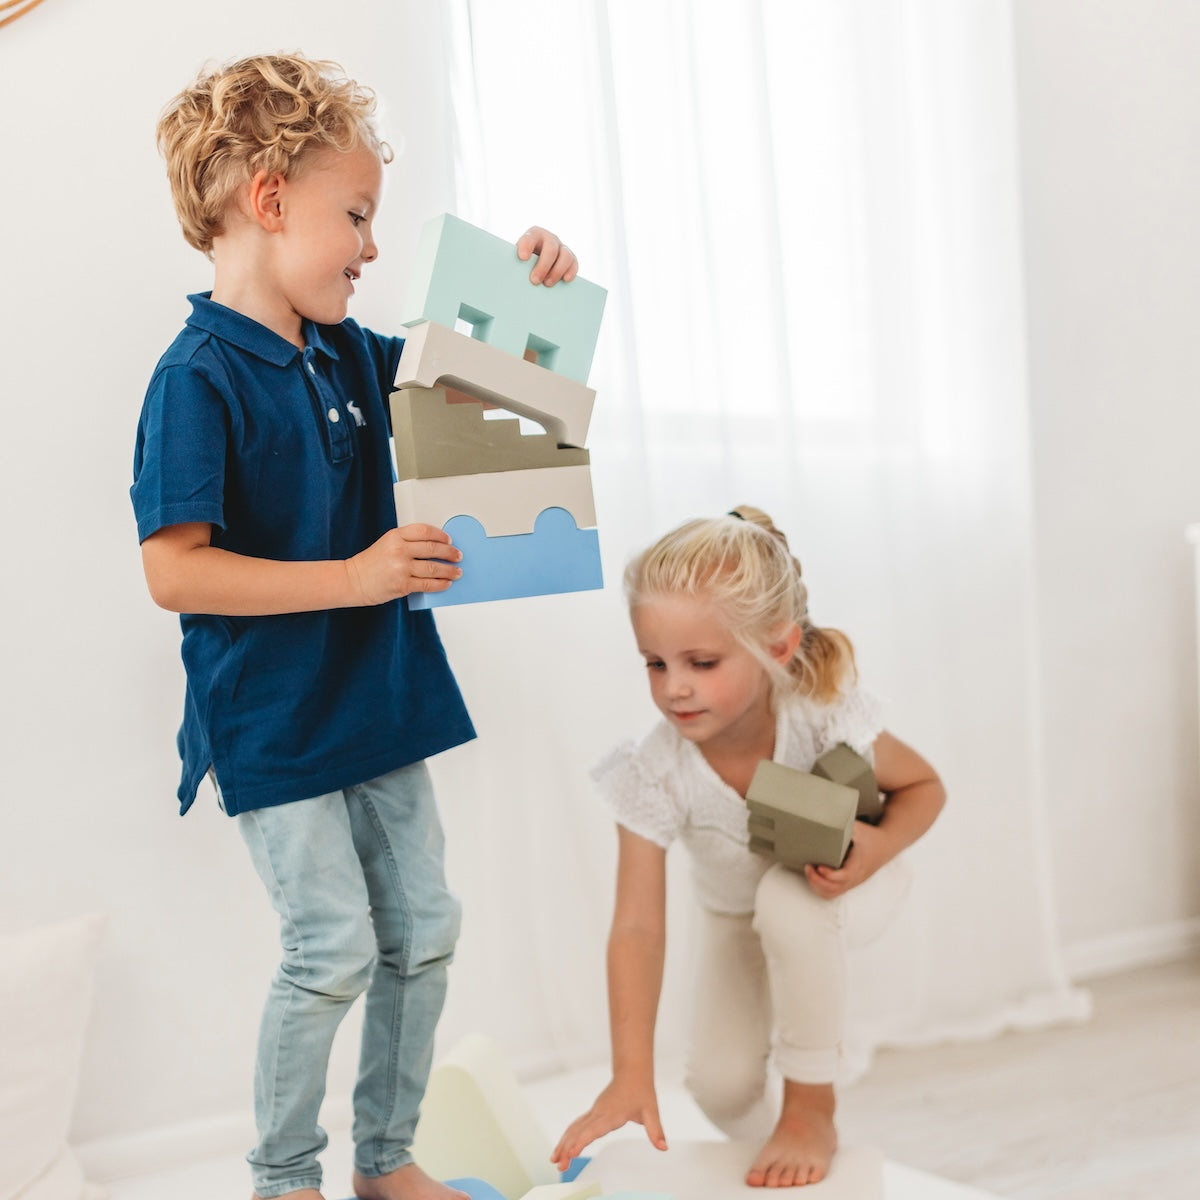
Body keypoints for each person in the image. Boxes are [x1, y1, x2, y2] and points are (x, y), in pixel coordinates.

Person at [130, 52, 579, 1200]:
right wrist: (354, 575)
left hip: (379, 693)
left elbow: (460, 378)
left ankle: (388, 1164)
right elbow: (176, 575)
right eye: (357, 215)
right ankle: (286, 1179)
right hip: (273, 718)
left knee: (424, 928)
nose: (371, 247)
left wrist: (531, 287)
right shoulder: (195, 379)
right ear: (271, 201)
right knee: (329, 951)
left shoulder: (339, 349)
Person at [552, 507, 946, 1188]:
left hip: (851, 884)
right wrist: (629, 1074)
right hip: (733, 916)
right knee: (720, 1085)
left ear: (780, 648)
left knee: (786, 898)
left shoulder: (822, 716)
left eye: (701, 663)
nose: (674, 686)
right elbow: (638, 927)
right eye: (655, 662)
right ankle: (789, 1141)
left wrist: (875, 849)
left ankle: (810, 1108)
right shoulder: (654, 770)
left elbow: (925, 787)